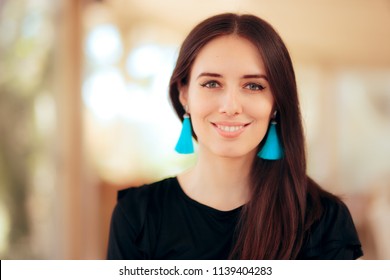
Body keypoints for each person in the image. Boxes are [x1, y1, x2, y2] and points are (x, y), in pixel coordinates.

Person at [107, 13, 363, 260]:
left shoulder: (324, 220)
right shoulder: (137, 215)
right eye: (211, 83)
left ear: (276, 102)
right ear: (184, 94)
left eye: (253, 86)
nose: (231, 106)